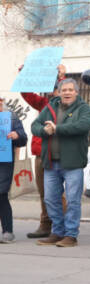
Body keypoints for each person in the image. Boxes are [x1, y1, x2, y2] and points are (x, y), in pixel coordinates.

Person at [30, 78, 90, 247]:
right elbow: (34, 126)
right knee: (50, 199)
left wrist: (57, 128)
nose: (67, 93)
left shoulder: (84, 108)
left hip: (73, 164)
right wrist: (44, 130)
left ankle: (71, 235)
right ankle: (57, 232)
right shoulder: (50, 107)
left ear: (76, 92)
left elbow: (82, 126)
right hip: (51, 163)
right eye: (64, 90)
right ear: (58, 91)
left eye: (70, 90)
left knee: (72, 200)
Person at [19, 64, 67, 239]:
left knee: (56, 192)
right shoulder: (43, 103)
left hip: (56, 154)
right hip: (40, 154)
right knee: (43, 192)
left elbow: (66, 96)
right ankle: (45, 224)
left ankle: (63, 226)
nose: (54, 91)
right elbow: (26, 94)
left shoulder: (66, 103)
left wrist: (61, 77)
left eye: (56, 87)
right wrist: (24, 73)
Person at [1, 97, 28, 242]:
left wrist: (16, 135)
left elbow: (23, 138)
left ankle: (7, 231)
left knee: (1, 193)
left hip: (4, 162)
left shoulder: (10, 117)